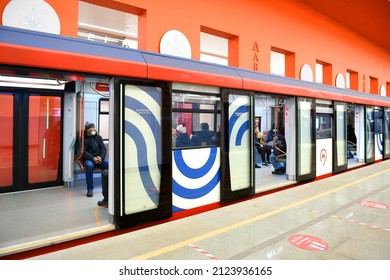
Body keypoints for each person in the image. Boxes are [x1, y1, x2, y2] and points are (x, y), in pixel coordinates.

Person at [83, 122, 109, 197]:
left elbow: (103, 149)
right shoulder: (83, 139)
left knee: (109, 164)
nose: (93, 129)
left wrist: (101, 157)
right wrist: (93, 158)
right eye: (91, 128)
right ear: (87, 130)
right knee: (89, 166)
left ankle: (111, 185)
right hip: (89, 159)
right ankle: (90, 189)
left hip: (99, 158)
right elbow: (83, 152)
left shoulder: (98, 137)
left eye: (94, 127)